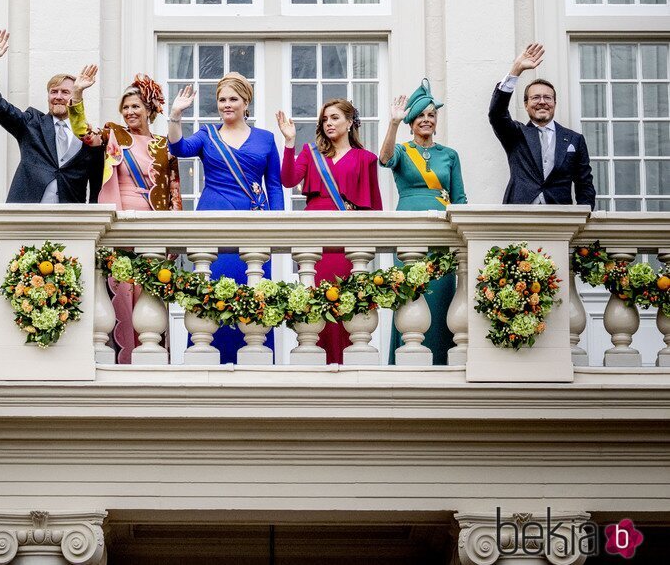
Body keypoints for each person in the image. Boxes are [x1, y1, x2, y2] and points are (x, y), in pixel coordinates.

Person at [168, 74, 284, 362]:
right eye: (222, 100)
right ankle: (206, 361)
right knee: (210, 293)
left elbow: (274, 185)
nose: (227, 105)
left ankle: (254, 364)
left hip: (252, 224)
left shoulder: (266, 139)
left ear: (246, 102)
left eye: (233, 99)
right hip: (212, 220)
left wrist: (278, 225)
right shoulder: (207, 135)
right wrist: (175, 115)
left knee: (252, 293)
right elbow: (178, 149)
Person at [71, 73, 182, 362]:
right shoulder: (114, 135)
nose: (130, 113)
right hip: (121, 218)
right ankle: (125, 356)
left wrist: (175, 231)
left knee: (152, 287)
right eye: (126, 108)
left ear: (149, 109)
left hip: (153, 222)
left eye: (135, 107)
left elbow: (174, 190)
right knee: (123, 286)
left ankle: (153, 354)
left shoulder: (164, 145)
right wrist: (79, 95)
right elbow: (84, 132)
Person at [277, 99, 382, 363]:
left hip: (346, 238)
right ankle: (314, 362)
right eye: (325, 120)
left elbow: (375, 208)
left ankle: (345, 363)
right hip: (314, 234)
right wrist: (289, 143)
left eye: (335, 118)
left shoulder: (366, 159)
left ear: (349, 122)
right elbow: (288, 180)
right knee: (315, 300)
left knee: (344, 303)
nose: (329, 124)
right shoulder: (311, 154)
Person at [378, 78, 466, 365]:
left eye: (432, 115)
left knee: (441, 298)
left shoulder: (449, 155)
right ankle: (405, 360)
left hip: (441, 233)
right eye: (421, 116)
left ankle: (440, 361)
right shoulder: (403, 150)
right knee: (410, 295)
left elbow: (460, 199)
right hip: (410, 231)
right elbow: (385, 158)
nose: (426, 120)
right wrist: (393, 123)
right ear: (411, 121)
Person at [0, 29, 104, 203]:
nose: (58, 96)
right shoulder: (31, 123)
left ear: (74, 97)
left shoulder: (88, 136)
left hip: (71, 221)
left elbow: (97, 184)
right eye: (53, 92)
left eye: (65, 92)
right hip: (27, 216)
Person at [489, 43, 596, 207]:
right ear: (526, 105)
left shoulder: (575, 139)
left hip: (560, 219)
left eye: (547, 98)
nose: (542, 102)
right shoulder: (516, 135)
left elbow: (584, 184)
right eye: (535, 97)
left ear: (554, 103)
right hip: (520, 216)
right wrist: (516, 70)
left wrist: (584, 217)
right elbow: (497, 114)